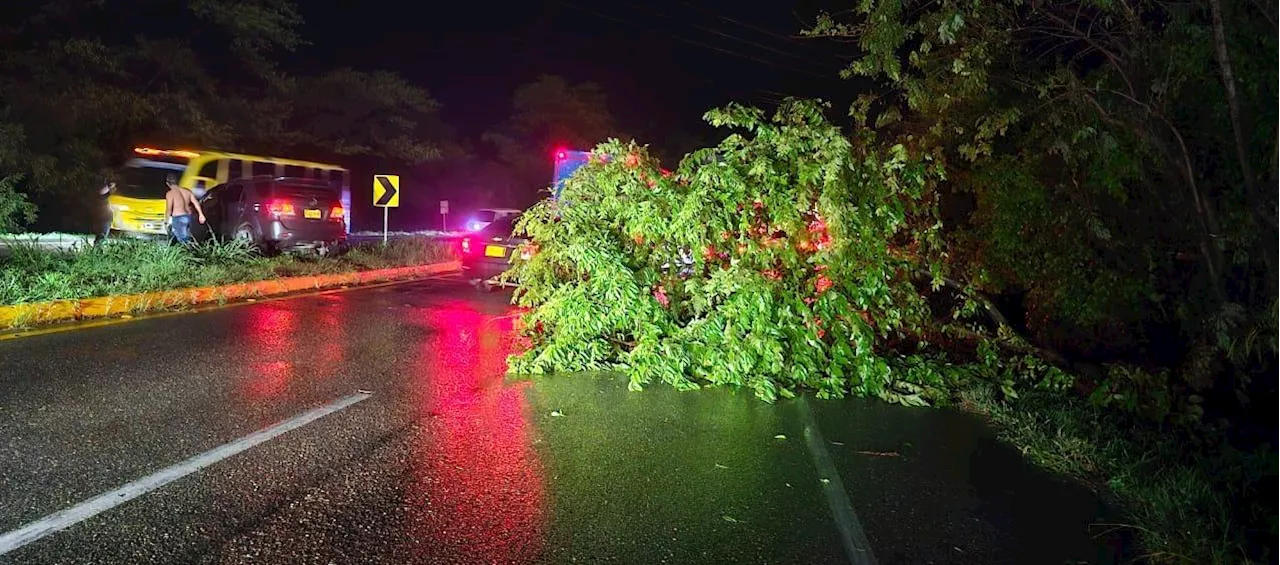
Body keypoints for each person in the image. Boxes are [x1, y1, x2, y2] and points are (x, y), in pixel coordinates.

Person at [164, 173, 205, 244]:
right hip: (189, 217)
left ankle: (188, 252)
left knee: (182, 240)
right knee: (188, 237)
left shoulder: (170, 194)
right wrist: (201, 215)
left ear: (167, 183)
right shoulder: (187, 191)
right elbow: (196, 203)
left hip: (178, 218)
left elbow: (169, 209)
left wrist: (166, 221)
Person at [93, 180, 116, 247]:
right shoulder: (103, 197)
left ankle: (97, 249)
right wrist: (109, 186)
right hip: (104, 218)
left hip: (106, 218)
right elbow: (101, 193)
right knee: (101, 235)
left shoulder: (108, 196)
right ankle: (97, 249)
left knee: (102, 235)